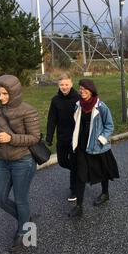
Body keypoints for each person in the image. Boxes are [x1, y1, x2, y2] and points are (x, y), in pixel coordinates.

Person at [0, 75, 40, 252]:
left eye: (5, 93)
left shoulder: (28, 111)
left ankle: (24, 234)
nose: (1, 97)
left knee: (21, 200)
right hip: (3, 161)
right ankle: (26, 219)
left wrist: (10, 138)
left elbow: (34, 138)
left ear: (14, 92)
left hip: (23, 161)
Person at [68, 79, 119, 217]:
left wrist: (101, 139)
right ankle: (79, 206)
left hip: (97, 146)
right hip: (81, 146)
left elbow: (109, 126)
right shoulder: (78, 105)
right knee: (80, 175)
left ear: (91, 90)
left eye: (85, 89)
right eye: (80, 89)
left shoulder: (101, 106)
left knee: (103, 171)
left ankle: (105, 193)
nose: (82, 91)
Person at [46, 73, 79, 202]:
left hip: (76, 138)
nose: (64, 87)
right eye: (61, 85)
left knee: (74, 163)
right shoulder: (55, 100)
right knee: (62, 161)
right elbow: (51, 120)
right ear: (58, 85)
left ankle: (74, 190)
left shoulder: (78, 98)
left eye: (66, 84)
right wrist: (49, 137)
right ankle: (80, 171)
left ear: (71, 84)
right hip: (62, 137)